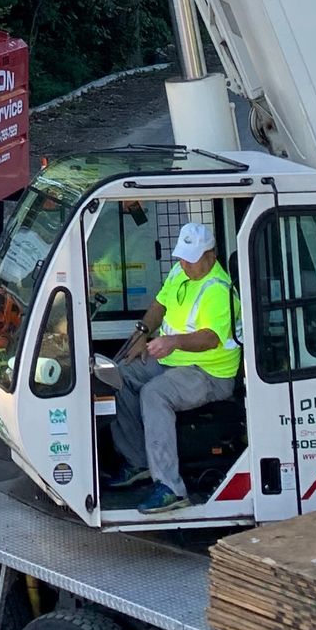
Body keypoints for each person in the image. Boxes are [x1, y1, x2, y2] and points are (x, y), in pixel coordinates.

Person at [107, 219, 239, 514]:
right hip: (173, 360)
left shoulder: (218, 289)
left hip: (210, 372)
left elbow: (210, 339)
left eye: (191, 261)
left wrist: (173, 342)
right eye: (182, 258)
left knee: (155, 394)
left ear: (211, 256)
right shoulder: (180, 272)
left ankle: (170, 488)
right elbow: (159, 304)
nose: (185, 265)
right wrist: (142, 335)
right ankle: (138, 462)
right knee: (118, 375)